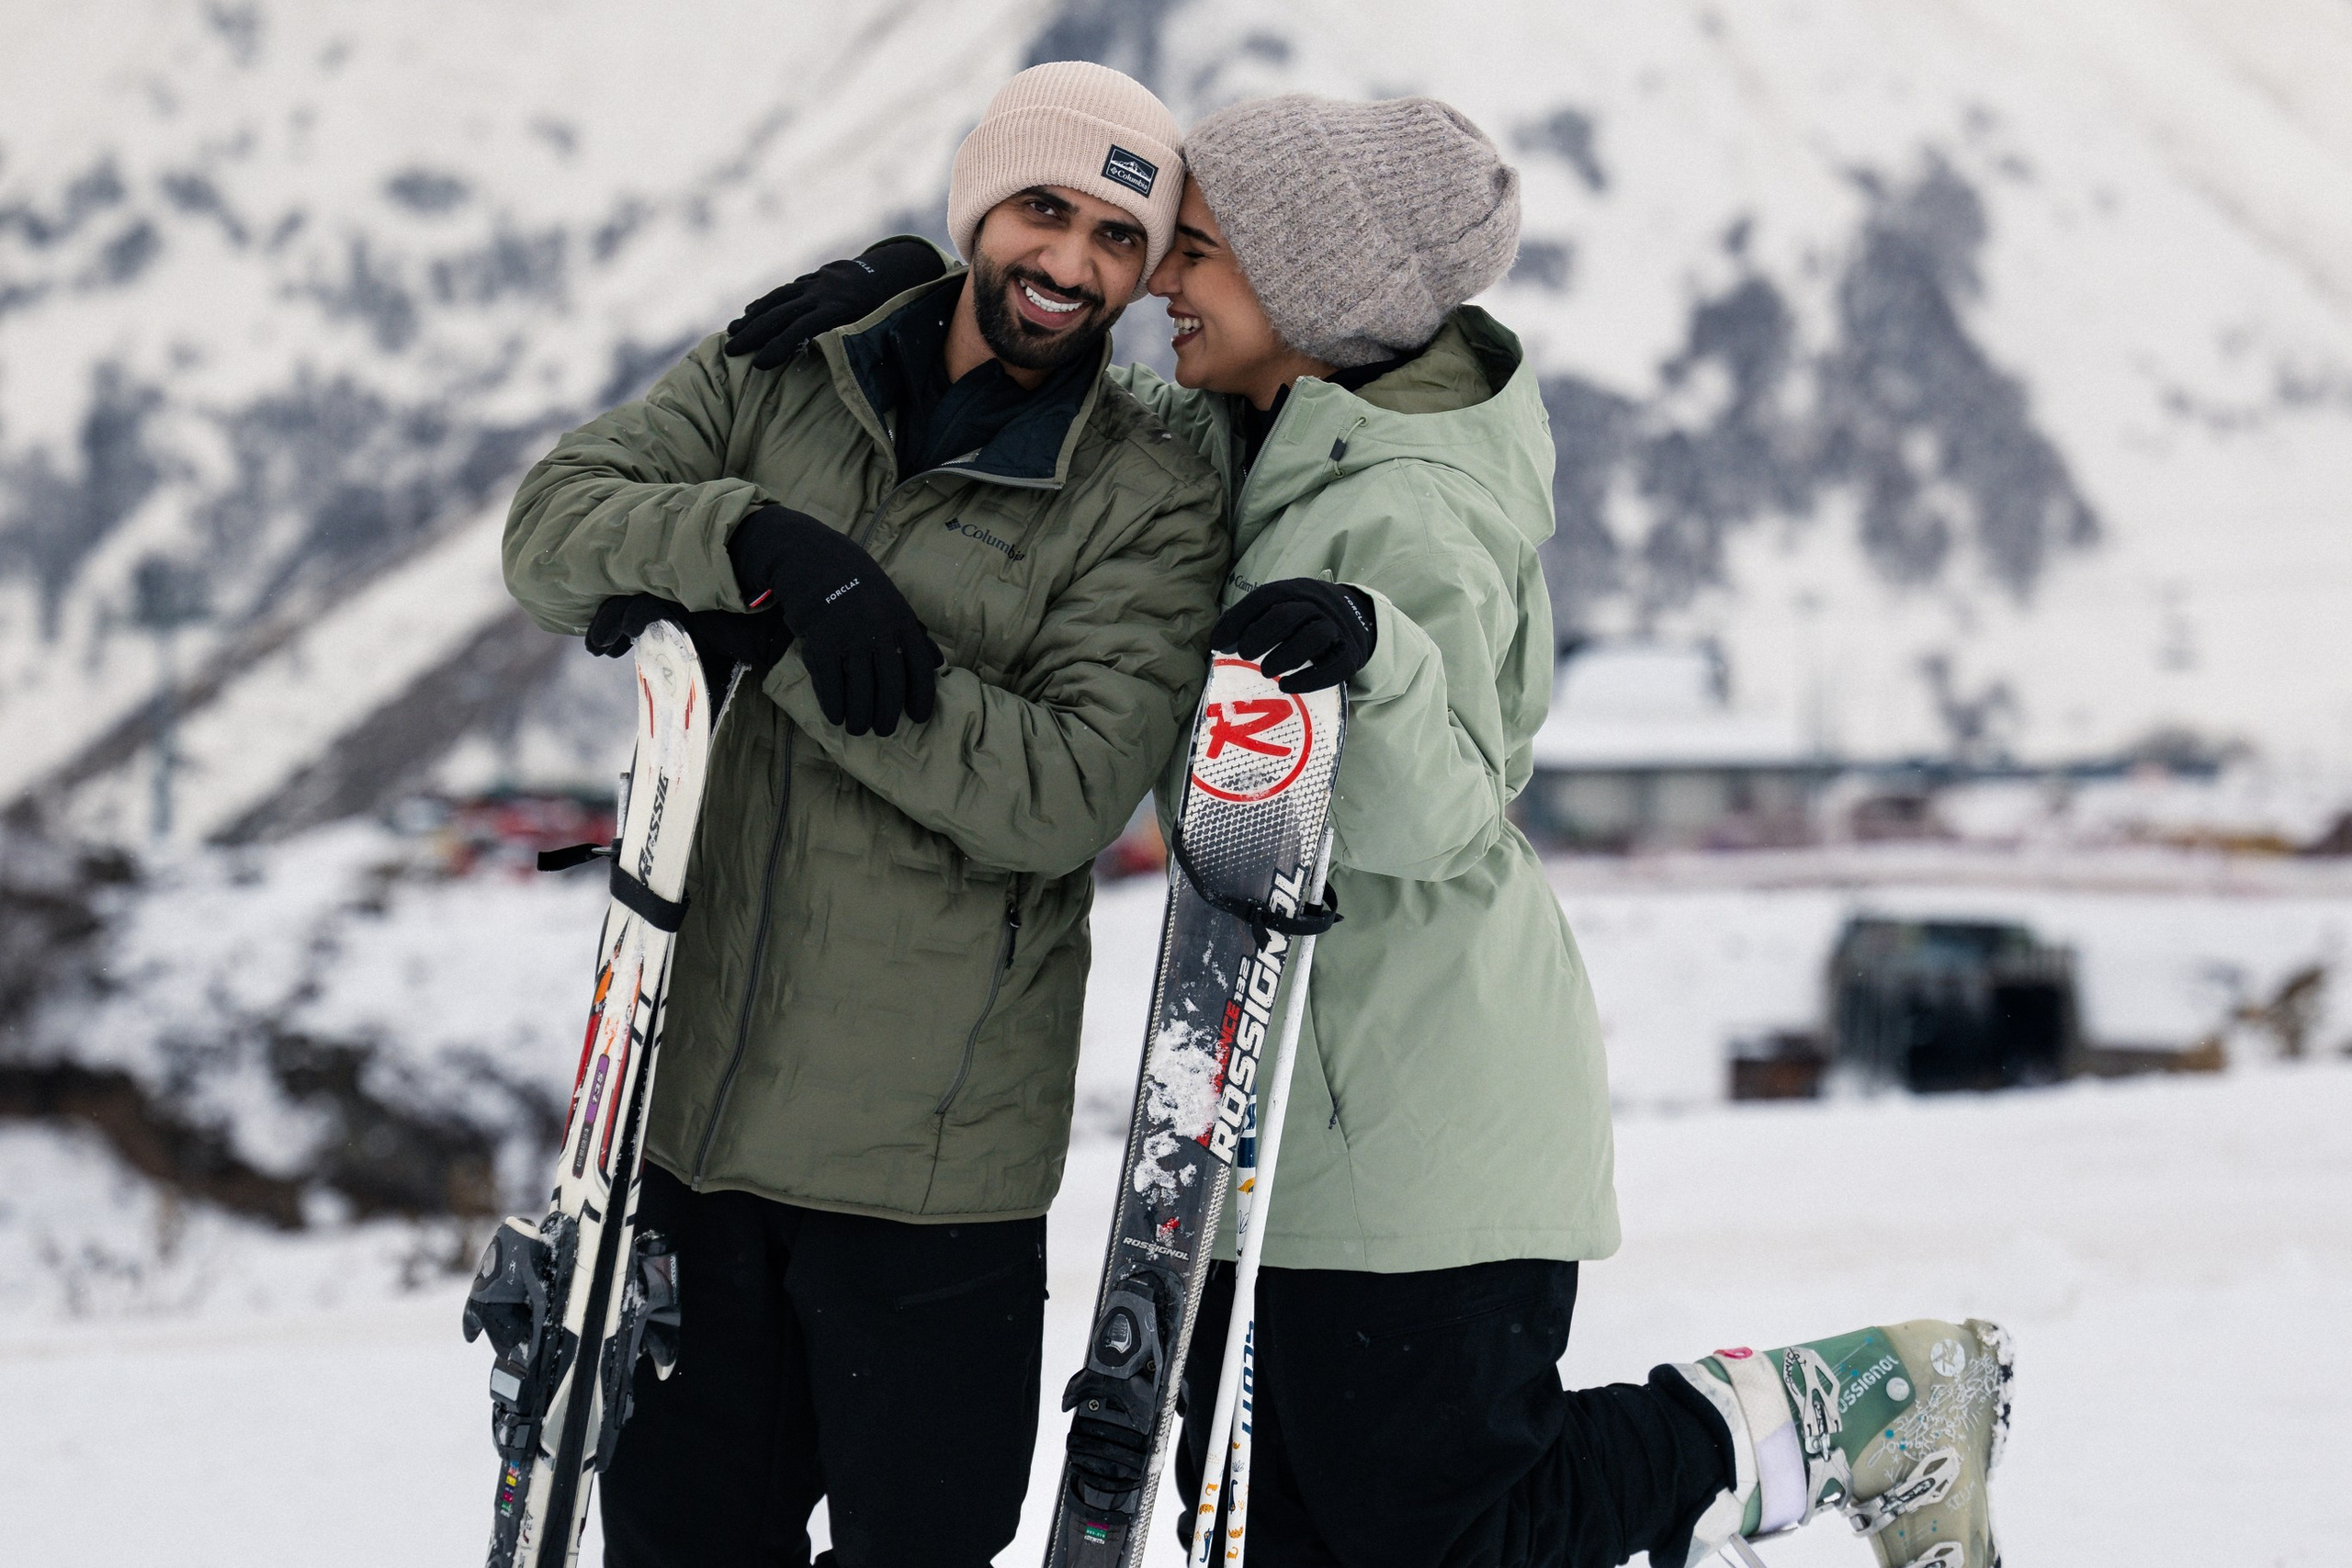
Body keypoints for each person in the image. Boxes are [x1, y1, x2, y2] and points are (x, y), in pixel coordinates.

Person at [729, 93, 2012, 1568]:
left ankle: (1863, 1409)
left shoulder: (1403, 504)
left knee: (1449, 1532)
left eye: (1196, 253)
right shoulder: (1263, 439)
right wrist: (913, 304)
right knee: (1276, 1534)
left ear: (1306, 291)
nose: (1159, 283)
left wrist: (1375, 652)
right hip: (1286, 1106)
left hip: (1413, 1111)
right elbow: (1089, 419)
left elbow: (1435, 813)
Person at [500, 62, 1231, 1568]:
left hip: (930, 1180)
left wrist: (779, 644)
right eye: (1043, 211)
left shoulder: (1150, 484)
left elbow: (1065, 790)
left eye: (1118, 240)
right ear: (978, 206)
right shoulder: (784, 372)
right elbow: (551, 530)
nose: (1071, 265)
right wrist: (752, 536)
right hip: (688, 1137)